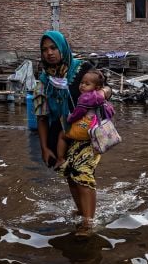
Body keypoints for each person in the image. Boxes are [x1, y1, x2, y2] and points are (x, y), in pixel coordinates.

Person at [33, 31, 112, 237]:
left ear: (63, 47)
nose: (49, 53)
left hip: (87, 134)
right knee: (70, 175)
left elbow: (106, 87)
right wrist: (44, 148)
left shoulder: (82, 69)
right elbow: (41, 116)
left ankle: (88, 223)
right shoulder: (44, 78)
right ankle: (81, 212)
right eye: (45, 49)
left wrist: (102, 93)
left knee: (83, 175)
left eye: (53, 48)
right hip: (62, 134)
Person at [55, 69, 115, 168]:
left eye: (87, 84)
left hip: (85, 128)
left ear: (97, 87)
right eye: (82, 82)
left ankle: (60, 158)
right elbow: (110, 112)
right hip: (95, 128)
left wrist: (69, 119)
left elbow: (78, 113)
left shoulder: (85, 97)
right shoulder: (101, 98)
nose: (82, 85)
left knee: (62, 135)